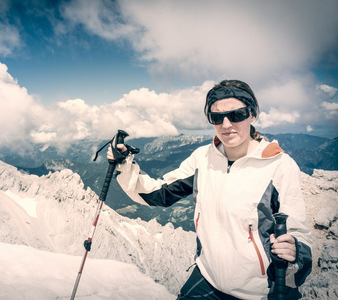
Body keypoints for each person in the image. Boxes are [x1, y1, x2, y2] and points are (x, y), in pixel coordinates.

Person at [107, 79, 312, 299]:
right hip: (208, 277)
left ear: (252, 114)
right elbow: (159, 194)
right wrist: (125, 164)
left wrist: (295, 251)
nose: (226, 124)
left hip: (261, 289)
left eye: (237, 115)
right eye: (216, 117)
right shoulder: (202, 158)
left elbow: (298, 232)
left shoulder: (278, 165)